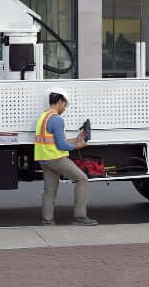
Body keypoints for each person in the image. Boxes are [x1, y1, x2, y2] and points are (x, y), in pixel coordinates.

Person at [34, 88, 98, 226]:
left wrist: (75, 139)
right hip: (56, 159)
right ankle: (80, 217)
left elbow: (56, 141)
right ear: (59, 101)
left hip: (44, 159)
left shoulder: (43, 117)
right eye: (65, 104)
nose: (65, 108)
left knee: (49, 191)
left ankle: (47, 221)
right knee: (82, 179)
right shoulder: (57, 119)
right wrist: (79, 146)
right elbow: (61, 146)